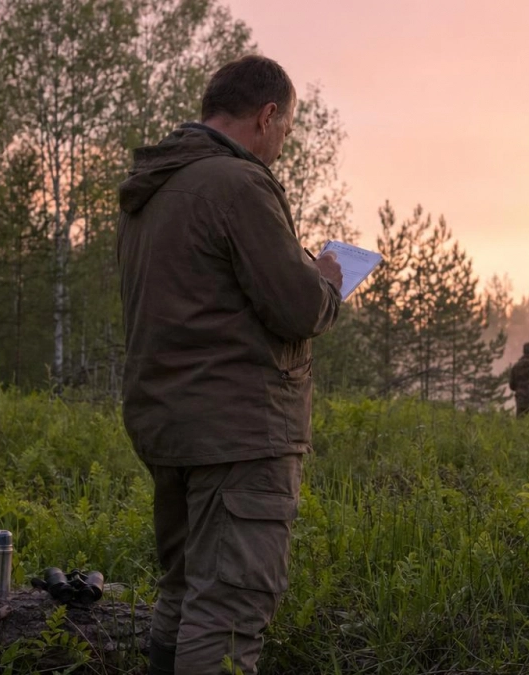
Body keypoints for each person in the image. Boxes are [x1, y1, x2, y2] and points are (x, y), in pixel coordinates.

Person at [116, 55, 343, 675]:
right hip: (239, 433)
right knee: (229, 611)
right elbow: (296, 308)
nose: (282, 144)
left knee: (185, 592)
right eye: (288, 130)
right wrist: (324, 279)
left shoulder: (154, 186)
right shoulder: (238, 185)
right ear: (268, 116)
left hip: (169, 424)